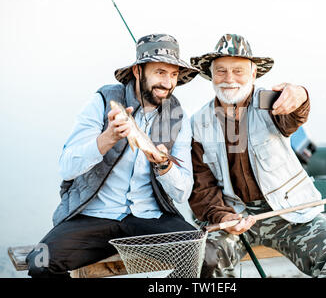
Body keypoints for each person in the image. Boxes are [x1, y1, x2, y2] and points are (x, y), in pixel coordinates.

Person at [26, 34, 199, 278]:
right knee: (39, 261)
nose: (168, 82)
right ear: (138, 71)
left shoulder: (178, 116)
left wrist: (164, 165)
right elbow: (67, 168)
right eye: (160, 72)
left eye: (173, 75)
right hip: (94, 215)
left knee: (203, 255)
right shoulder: (103, 100)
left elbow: (182, 192)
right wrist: (107, 138)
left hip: (148, 218)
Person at [189, 34, 326, 278]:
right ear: (211, 76)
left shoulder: (271, 101)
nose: (229, 79)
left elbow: (293, 115)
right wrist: (224, 216)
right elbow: (201, 187)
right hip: (234, 216)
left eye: (238, 70)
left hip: (285, 212)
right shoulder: (197, 123)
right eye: (220, 71)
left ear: (253, 74)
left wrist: (300, 95)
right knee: (205, 255)